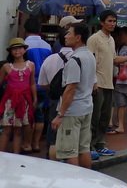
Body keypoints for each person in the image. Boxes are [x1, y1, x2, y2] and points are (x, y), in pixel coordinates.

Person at [87, 10, 127, 157]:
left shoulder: (111, 40)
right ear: (102, 22)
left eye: (114, 21)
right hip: (97, 83)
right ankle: (89, 146)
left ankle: (100, 144)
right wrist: (93, 81)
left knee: (105, 118)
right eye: (109, 21)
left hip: (109, 83)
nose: (112, 24)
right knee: (95, 117)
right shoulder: (94, 39)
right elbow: (89, 61)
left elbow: (114, 60)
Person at [51, 22, 96, 168]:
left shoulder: (75, 60)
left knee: (69, 152)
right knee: (84, 148)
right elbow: (94, 84)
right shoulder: (90, 56)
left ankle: (74, 182)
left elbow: (70, 88)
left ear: (78, 37)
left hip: (72, 111)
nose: (66, 36)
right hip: (87, 107)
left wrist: (60, 115)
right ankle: (86, 181)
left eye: (69, 33)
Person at [38, 18, 79, 159]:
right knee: (72, 138)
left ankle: (51, 162)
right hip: (76, 101)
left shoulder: (50, 59)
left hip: (54, 99)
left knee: (53, 135)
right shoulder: (81, 57)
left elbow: (42, 84)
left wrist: (53, 88)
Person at [0, 38, 36, 154]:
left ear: (24, 50)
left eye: (19, 48)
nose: (17, 51)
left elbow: (32, 83)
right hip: (10, 102)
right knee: (6, 129)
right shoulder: (6, 67)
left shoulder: (30, 65)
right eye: (14, 49)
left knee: (18, 130)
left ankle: (16, 156)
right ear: (10, 52)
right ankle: (2, 155)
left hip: (24, 101)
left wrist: (35, 98)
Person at [23, 15, 52, 153]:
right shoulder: (47, 46)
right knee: (40, 115)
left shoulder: (24, 46)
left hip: (29, 85)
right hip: (44, 85)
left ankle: (27, 143)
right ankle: (36, 144)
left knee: (28, 116)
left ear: (26, 29)